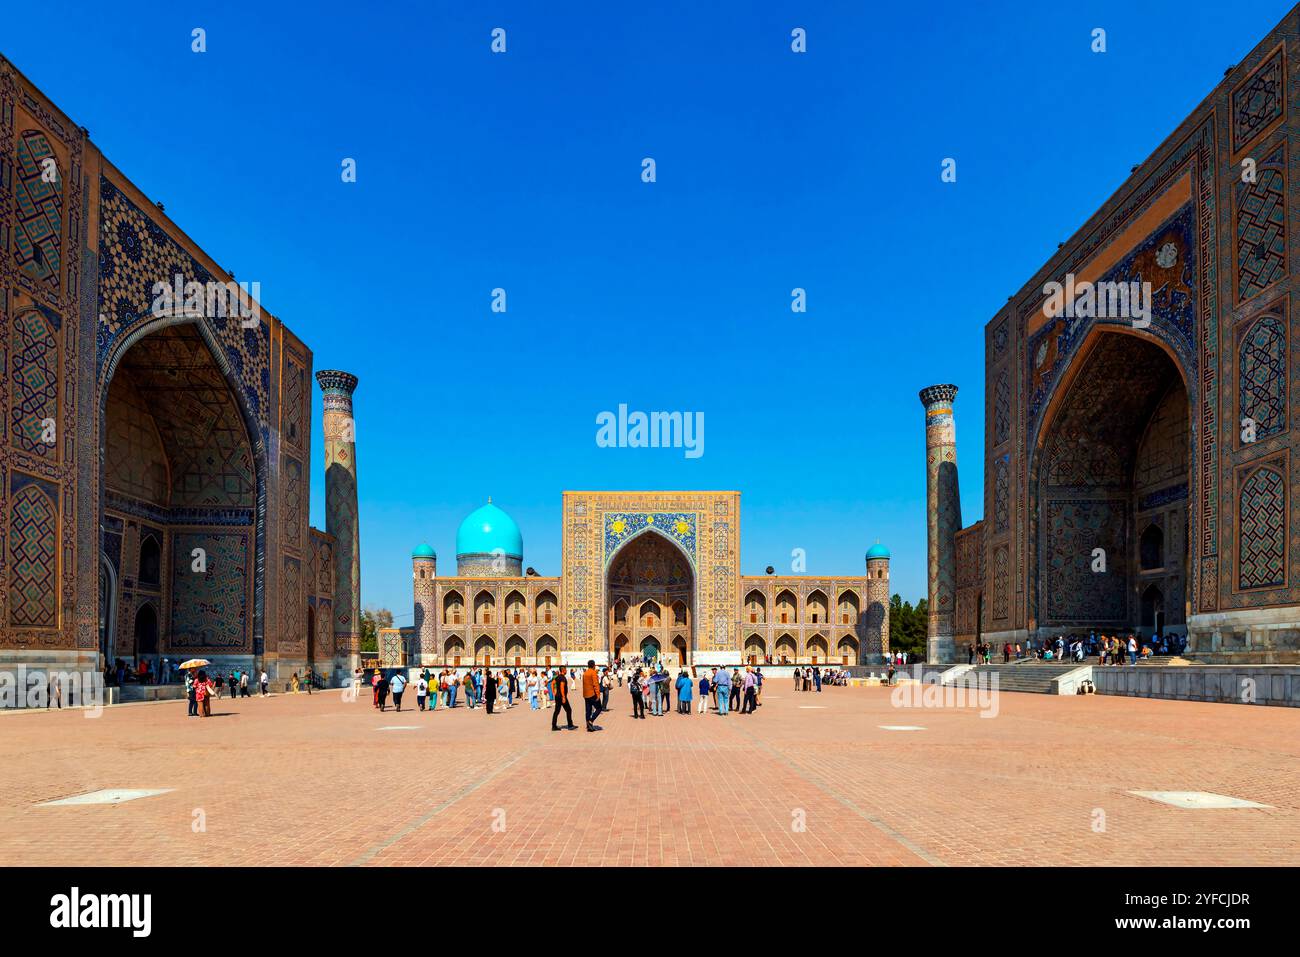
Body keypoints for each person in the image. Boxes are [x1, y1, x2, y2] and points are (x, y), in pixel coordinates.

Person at [552, 666, 576, 731]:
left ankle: (554, 726)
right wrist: (563, 697)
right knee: (568, 710)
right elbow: (562, 687)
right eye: (566, 670)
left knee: (557, 711)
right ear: (563, 670)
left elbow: (553, 683)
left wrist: (554, 692)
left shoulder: (558, 676)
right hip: (561, 697)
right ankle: (570, 725)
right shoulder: (562, 678)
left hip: (557, 696)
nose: (566, 671)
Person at [582, 660, 601, 731]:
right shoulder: (593, 673)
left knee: (588, 710)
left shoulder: (585, 673)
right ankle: (591, 721)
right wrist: (598, 694)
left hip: (586, 694)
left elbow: (584, 684)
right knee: (599, 708)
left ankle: (588, 725)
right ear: (594, 665)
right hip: (593, 694)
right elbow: (595, 684)